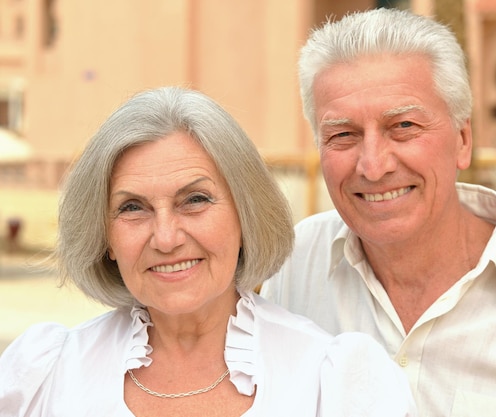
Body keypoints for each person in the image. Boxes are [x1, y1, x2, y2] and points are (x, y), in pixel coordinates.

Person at [261, 8, 496, 416]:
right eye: (343, 135)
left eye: (403, 127)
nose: (373, 166)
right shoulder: (293, 270)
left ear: (463, 140)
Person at [0, 87, 417, 416]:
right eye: (132, 207)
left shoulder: (334, 384)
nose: (165, 238)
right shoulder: (44, 375)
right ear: (106, 238)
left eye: (195, 200)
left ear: (244, 214)